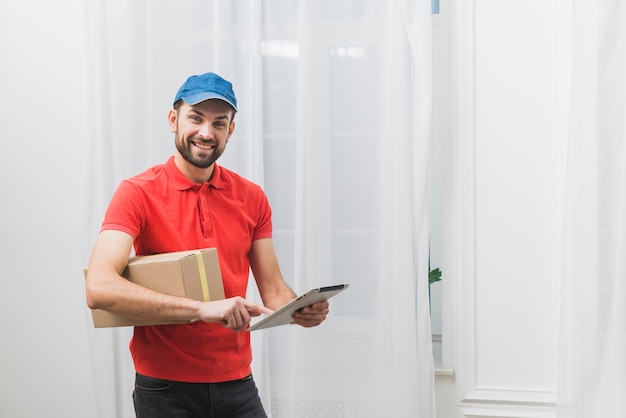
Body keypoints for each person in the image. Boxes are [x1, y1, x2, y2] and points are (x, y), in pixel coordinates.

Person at [85, 72, 330, 417]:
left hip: (237, 381)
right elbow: (98, 287)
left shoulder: (252, 197)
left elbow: (274, 291)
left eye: (219, 123)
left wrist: (299, 309)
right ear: (174, 120)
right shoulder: (137, 192)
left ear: (230, 131)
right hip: (164, 387)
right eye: (195, 118)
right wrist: (201, 309)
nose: (206, 132)